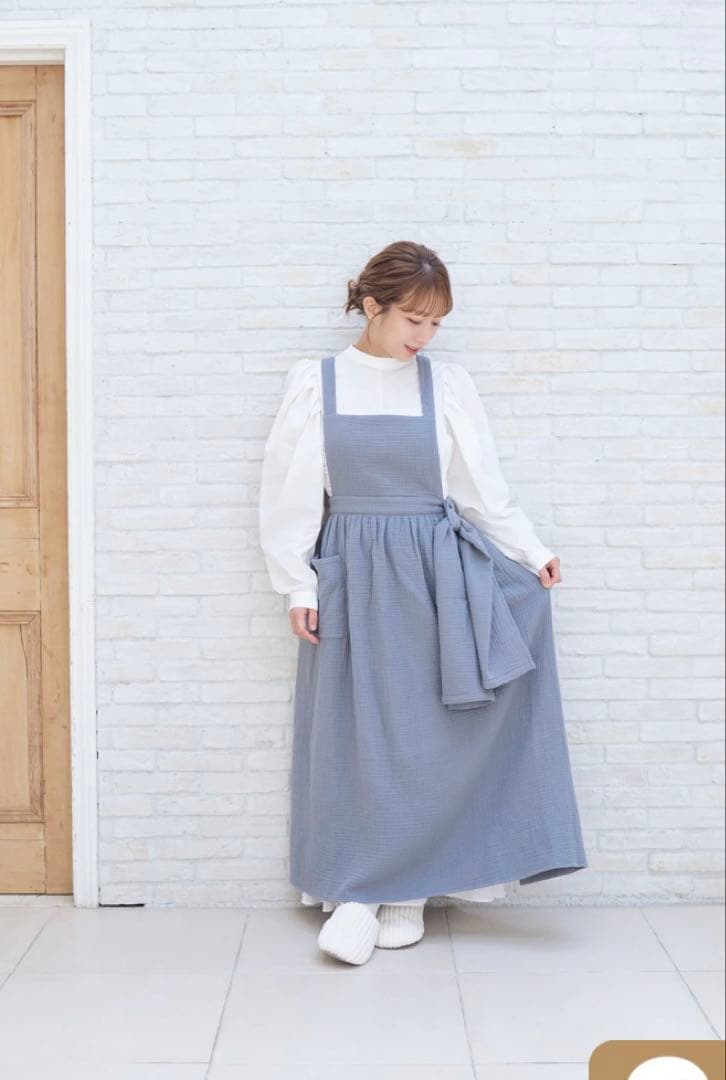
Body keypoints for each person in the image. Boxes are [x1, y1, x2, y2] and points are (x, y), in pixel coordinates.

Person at [259, 240, 588, 966]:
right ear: (372, 305)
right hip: (353, 571)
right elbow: (289, 496)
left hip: (438, 572)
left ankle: (407, 893)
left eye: (436, 323)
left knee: (432, 731)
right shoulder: (317, 384)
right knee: (358, 734)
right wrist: (298, 584)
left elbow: (480, 490)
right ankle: (357, 890)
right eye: (414, 319)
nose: (425, 336)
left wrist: (531, 550)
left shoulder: (448, 386)